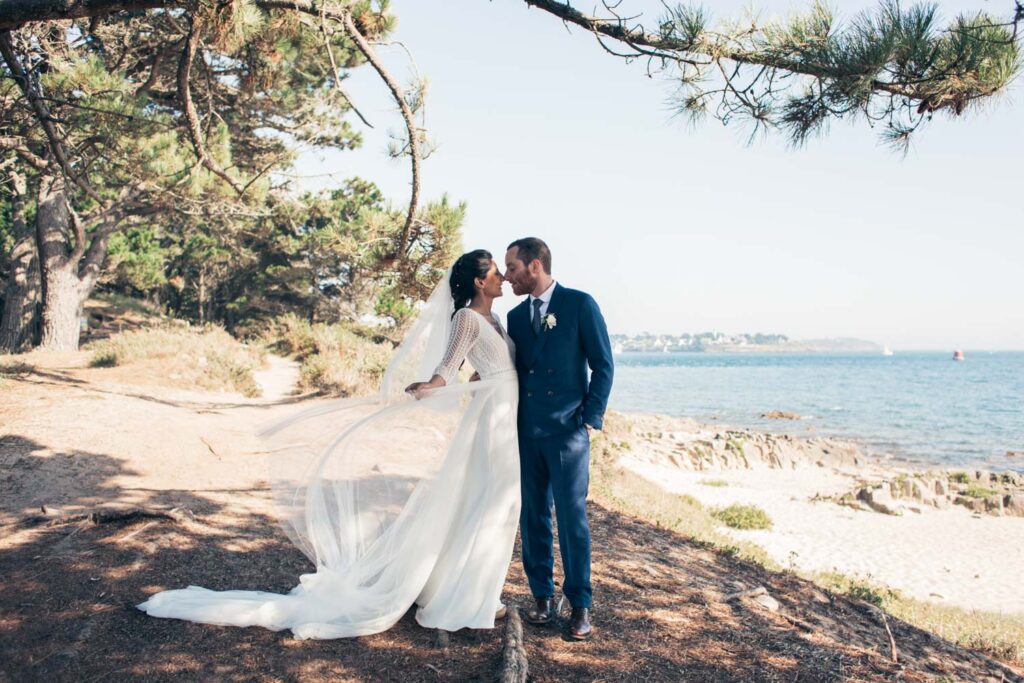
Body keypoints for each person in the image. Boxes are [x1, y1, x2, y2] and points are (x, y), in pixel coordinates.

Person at [137, 250, 521, 638]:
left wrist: (480, 381)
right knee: (485, 502)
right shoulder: (466, 318)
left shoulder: (497, 320)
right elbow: (447, 366)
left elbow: (486, 368)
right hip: (489, 425)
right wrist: (431, 385)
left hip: (501, 418)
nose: (502, 278)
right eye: (495, 273)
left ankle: (472, 590)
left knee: (491, 504)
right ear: (478, 281)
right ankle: (468, 599)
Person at [503, 237, 614, 641]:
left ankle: (581, 604)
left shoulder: (580, 304)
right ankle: (542, 597)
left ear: (535, 266)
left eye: (512, 267)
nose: (508, 276)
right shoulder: (515, 317)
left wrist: (589, 418)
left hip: (567, 432)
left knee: (572, 520)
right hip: (526, 431)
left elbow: (603, 365)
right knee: (532, 517)